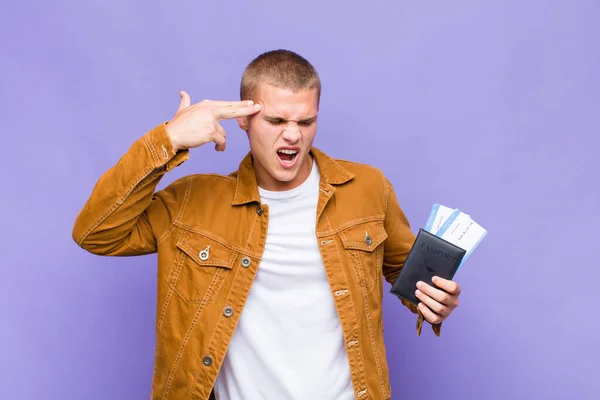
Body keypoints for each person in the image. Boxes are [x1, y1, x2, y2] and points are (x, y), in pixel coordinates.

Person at [72, 49, 462, 400]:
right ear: (244, 119)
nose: (292, 134)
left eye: (305, 121)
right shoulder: (192, 201)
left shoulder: (368, 188)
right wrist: (169, 139)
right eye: (276, 120)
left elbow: (405, 275)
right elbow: (96, 233)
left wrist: (433, 301)